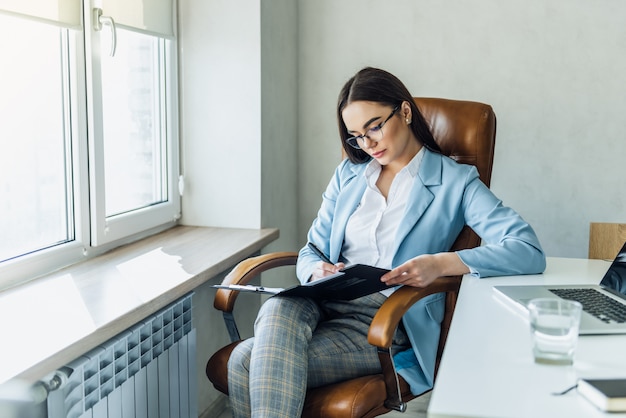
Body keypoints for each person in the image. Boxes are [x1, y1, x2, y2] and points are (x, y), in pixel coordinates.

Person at [227, 67, 546, 417]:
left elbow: (526, 249)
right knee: (278, 306)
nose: (367, 144)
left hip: (385, 322)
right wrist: (316, 270)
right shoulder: (348, 175)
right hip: (324, 302)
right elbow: (311, 250)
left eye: (374, 126)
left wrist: (440, 263)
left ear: (405, 112)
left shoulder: (455, 181)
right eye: (356, 136)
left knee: (245, 360)